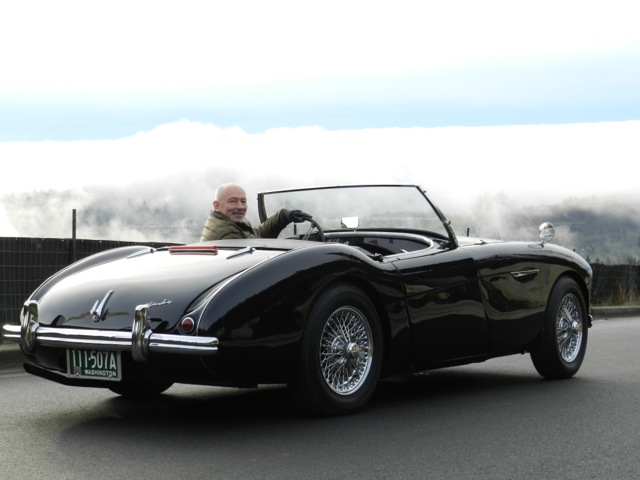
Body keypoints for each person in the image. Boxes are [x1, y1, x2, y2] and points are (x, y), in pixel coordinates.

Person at [199, 183, 312, 241]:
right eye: (232, 201)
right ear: (217, 205)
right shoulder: (227, 233)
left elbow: (257, 236)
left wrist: (284, 216)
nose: (240, 207)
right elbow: (257, 249)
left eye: (243, 201)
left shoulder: (228, 222)